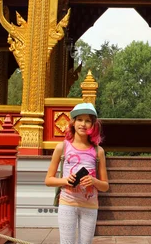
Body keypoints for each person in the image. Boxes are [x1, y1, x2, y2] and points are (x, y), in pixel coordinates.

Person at [45, 102, 109, 244]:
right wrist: (65, 180)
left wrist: (94, 181)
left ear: (93, 125)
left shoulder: (98, 151)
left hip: (90, 205)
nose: (83, 124)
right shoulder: (62, 147)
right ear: (73, 123)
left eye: (88, 121)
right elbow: (48, 180)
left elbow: (105, 186)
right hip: (67, 203)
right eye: (79, 119)